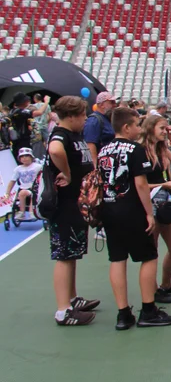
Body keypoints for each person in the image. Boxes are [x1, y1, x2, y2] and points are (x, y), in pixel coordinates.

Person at [98, 106, 171, 329]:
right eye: (135, 125)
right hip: (131, 208)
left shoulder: (104, 150)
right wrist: (149, 213)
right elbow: (141, 184)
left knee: (117, 259)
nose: (138, 129)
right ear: (126, 127)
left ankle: (123, 313)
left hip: (110, 207)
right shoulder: (134, 149)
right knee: (148, 256)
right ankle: (148, 308)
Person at [44, 97, 97, 326]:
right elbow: (55, 151)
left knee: (72, 253)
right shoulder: (61, 134)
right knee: (64, 255)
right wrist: (66, 173)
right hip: (64, 203)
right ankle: (62, 310)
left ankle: (72, 298)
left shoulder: (74, 135)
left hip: (77, 202)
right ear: (72, 116)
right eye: (83, 116)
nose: (85, 119)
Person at [141, 114, 171, 303]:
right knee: (153, 249)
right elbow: (140, 184)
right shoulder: (142, 150)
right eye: (161, 128)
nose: (164, 132)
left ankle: (166, 283)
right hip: (150, 201)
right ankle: (152, 290)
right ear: (150, 128)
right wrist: (163, 185)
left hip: (164, 201)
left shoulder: (160, 149)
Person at [7, 147, 41, 221]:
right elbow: (12, 181)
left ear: (31, 157)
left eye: (26, 156)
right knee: (22, 193)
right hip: (23, 188)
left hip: (36, 188)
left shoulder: (38, 167)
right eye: (22, 156)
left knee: (32, 194)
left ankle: (32, 212)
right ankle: (21, 212)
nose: (24, 158)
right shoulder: (18, 169)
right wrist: (7, 193)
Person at [83, 92, 117, 163]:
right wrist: (95, 168)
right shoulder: (94, 120)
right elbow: (90, 145)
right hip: (101, 163)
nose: (115, 105)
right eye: (111, 102)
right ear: (101, 105)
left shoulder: (107, 118)